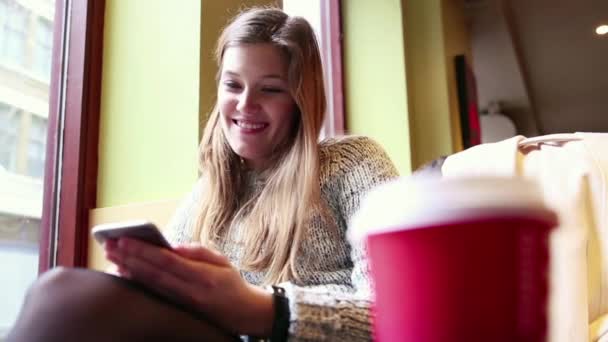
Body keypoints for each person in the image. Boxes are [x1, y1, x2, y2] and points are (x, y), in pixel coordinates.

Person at [7, 7, 398, 341]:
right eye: (233, 85)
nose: (246, 104)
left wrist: (263, 309)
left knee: (60, 294)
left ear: (301, 98)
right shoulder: (209, 192)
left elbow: (399, 311)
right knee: (68, 292)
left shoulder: (352, 163)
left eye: (271, 89)